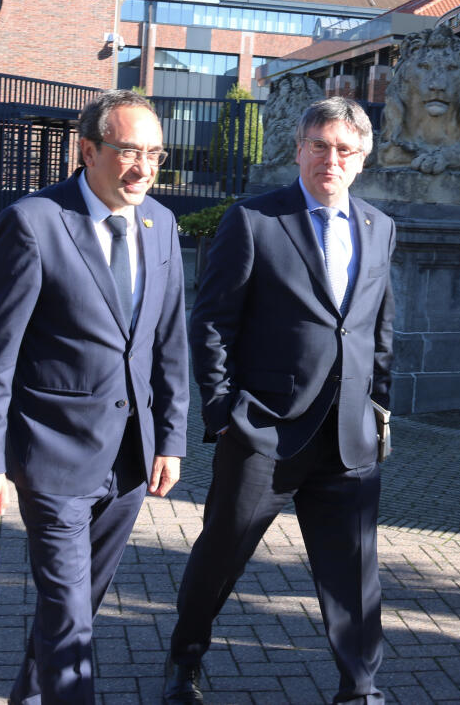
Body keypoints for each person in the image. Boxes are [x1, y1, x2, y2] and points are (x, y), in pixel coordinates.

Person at [0, 89, 188, 704]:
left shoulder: (160, 224)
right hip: (52, 456)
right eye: (127, 151)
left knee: (79, 604)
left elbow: (169, 342)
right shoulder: (35, 222)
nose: (142, 168)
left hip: (131, 459)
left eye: (155, 154)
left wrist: (170, 438)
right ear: (87, 150)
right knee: (70, 616)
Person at [162, 97, 395, 705]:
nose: (331, 159)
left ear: (362, 159)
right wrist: (222, 414)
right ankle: (184, 660)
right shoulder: (255, 220)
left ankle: (359, 687)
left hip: (348, 438)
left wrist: (380, 412)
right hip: (264, 432)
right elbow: (212, 325)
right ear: (298, 149)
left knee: (354, 572)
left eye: (345, 149)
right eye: (319, 144)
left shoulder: (379, 226)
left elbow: (378, 330)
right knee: (222, 554)